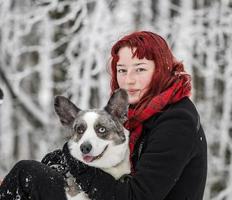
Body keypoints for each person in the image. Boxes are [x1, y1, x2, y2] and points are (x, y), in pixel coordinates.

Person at [0, 31, 207, 200]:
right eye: (122, 70)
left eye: (140, 69)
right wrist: (68, 159)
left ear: (161, 70)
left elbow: (137, 196)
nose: (129, 80)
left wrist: (78, 163)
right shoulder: (142, 113)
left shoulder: (177, 121)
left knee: (25, 172)